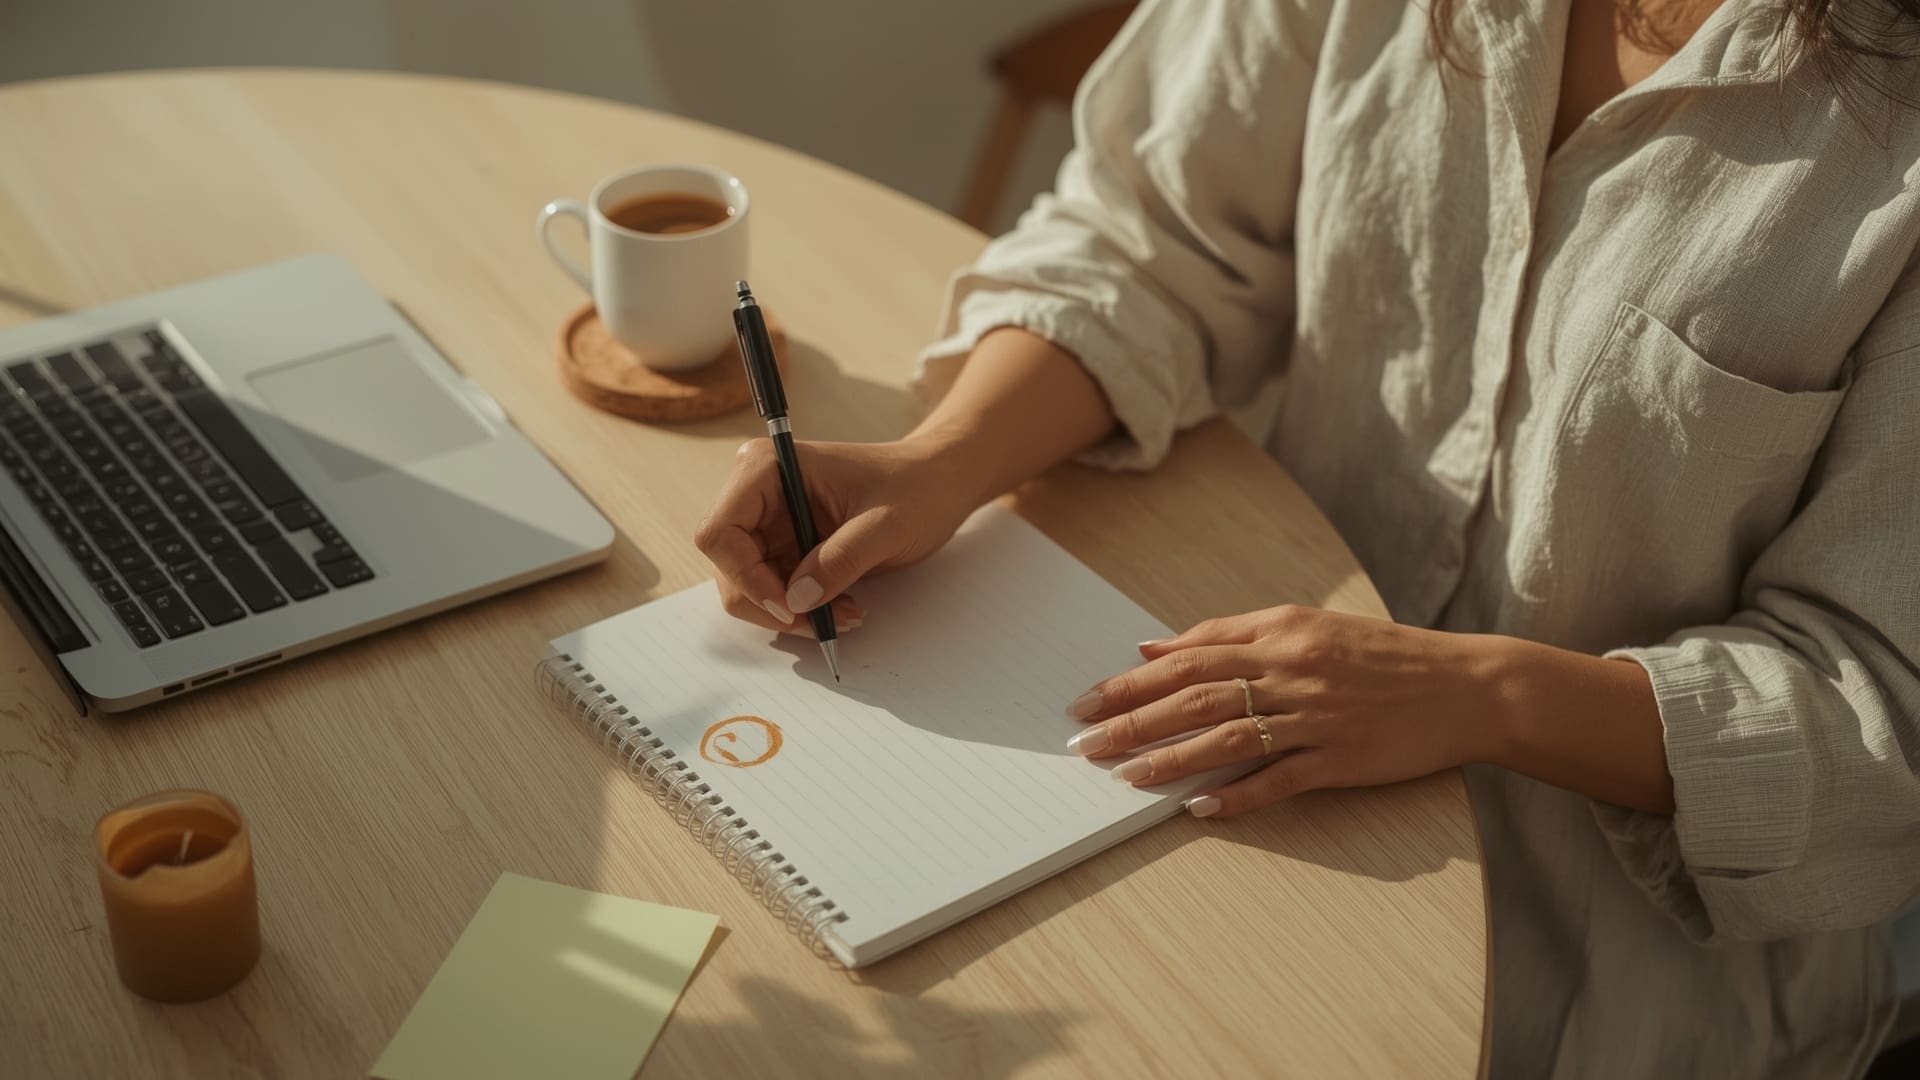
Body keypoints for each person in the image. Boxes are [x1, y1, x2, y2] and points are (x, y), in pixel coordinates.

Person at [695, 0, 1920, 1074]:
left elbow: (1884, 721)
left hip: (1617, 983)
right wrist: (944, 459)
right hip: (1248, 802)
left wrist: (1481, 694)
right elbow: (1153, 231)